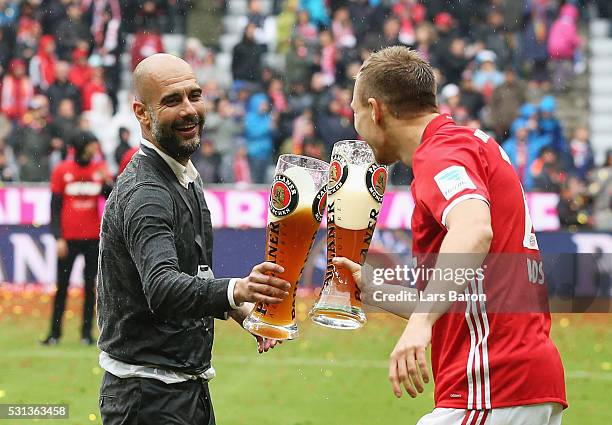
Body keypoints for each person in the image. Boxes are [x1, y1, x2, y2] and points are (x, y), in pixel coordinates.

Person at [336, 46, 566, 424]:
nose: (355, 124)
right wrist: (371, 289)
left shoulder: (441, 154)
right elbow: (461, 301)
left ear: (375, 110)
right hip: (517, 381)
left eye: (355, 111)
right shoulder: (465, 144)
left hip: (492, 382)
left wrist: (421, 324)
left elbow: (475, 231)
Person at [97, 53, 290, 425]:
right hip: (147, 399)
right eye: (172, 101)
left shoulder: (183, 174)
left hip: (181, 389)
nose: (189, 110)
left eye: (194, 95)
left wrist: (238, 311)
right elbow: (163, 288)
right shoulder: (146, 192)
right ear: (141, 113)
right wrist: (237, 289)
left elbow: (192, 274)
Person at [42, 131, 112, 346]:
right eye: (92, 144)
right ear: (83, 146)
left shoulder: (98, 171)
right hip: (68, 239)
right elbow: (55, 207)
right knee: (62, 286)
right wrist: (58, 238)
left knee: (90, 287)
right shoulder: (62, 171)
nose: (96, 148)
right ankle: (54, 334)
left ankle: (86, 334)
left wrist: (107, 180)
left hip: (92, 238)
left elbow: (112, 197)